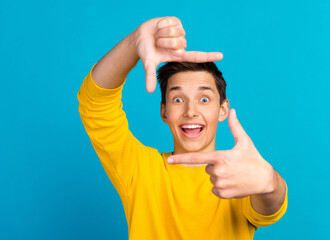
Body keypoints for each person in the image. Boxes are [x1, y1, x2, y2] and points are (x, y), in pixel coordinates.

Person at [77, 16, 288, 240]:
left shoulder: (237, 175)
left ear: (223, 110)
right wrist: (133, 43)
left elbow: (271, 207)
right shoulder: (142, 170)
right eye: (178, 100)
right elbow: (95, 103)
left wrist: (270, 183)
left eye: (204, 99)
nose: (190, 111)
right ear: (164, 111)